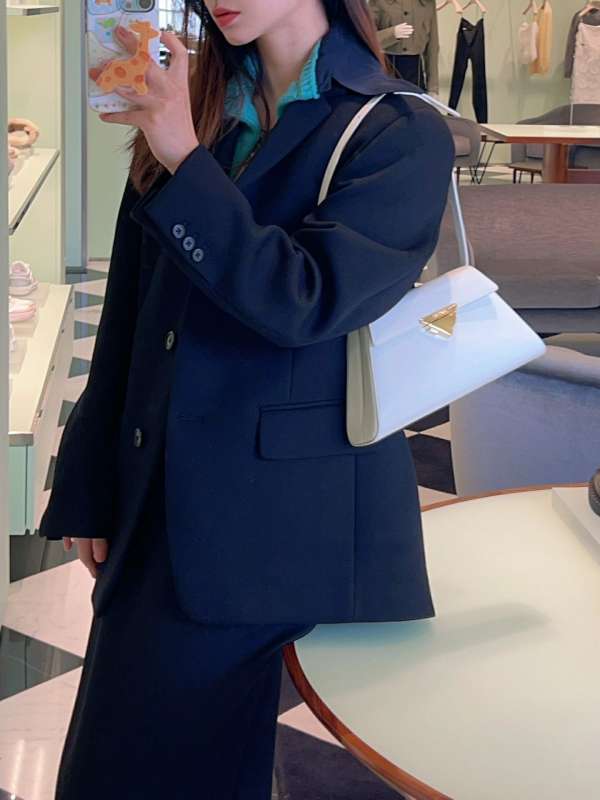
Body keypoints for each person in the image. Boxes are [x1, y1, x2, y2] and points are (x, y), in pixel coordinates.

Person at [38, 0, 455, 796]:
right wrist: (87, 480)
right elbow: (130, 312)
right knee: (120, 765)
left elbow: (305, 300)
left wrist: (184, 159)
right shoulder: (195, 102)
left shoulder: (396, 130)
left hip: (288, 517)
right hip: (159, 493)